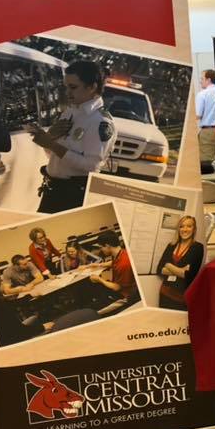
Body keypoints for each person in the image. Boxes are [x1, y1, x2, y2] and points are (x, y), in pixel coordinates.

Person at [28, 60, 117, 213]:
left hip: (73, 195)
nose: (67, 92)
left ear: (92, 87)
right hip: (53, 189)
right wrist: (50, 137)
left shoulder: (100, 122)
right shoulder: (71, 112)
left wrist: (51, 144)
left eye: (73, 87)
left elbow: (91, 166)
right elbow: (53, 156)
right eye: (66, 86)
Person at [157, 216, 205, 311]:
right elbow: (159, 269)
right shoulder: (171, 245)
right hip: (165, 294)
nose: (185, 229)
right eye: (181, 226)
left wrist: (167, 265)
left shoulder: (198, 247)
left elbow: (190, 275)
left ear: (194, 229)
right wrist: (181, 270)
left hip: (182, 297)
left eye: (189, 226)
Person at [88, 231, 139, 307]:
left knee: (93, 307)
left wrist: (99, 279)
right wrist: (99, 265)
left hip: (124, 295)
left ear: (107, 246)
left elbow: (117, 288)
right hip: (117, 286)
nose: (101, 250)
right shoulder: (120, 252)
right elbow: (113, 262)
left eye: (101, 247)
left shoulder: (124, 264)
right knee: (95, 289)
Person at [195, 69, 215, 174]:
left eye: (202, 79)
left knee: (206, 164)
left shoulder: (202, 94)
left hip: (207, 132)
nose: (200, 81)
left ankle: (210, 188)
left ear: (209, 80)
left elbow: (197, 115)